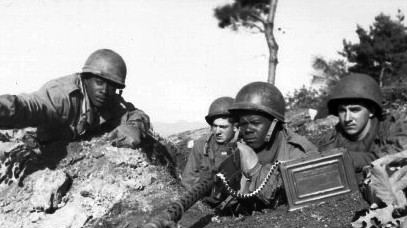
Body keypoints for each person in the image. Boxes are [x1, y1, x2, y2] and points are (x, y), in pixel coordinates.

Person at [0, 49, 150, 148]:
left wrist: (133, 127)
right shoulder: (62, 96)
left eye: (111, 87)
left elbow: (135, 114)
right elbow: (31, 106)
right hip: (25, 145)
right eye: (99, 82)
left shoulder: (109, 101)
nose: (105, 91)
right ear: (86, 78)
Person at [222, 81, 317, 213]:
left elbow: (289, 204)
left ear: (274, 124)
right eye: (243, 124)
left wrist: (255, 169)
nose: (248, 129)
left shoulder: (299, 152)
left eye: (255, 123)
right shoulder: (238, 149)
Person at [319, 73, 407, 183]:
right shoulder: (333, 138)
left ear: (371, 111)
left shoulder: (390, 127)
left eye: (355, 110)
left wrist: (349, 160)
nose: (347, 118)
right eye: (342, 110)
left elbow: (403, 151)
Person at [181, 97, 238, 195]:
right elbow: (188, 181)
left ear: (235, 127)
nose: (217, 131)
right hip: (206, 203)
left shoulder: (243, 148)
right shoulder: (202, 145)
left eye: (223, 127)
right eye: (215, 126)